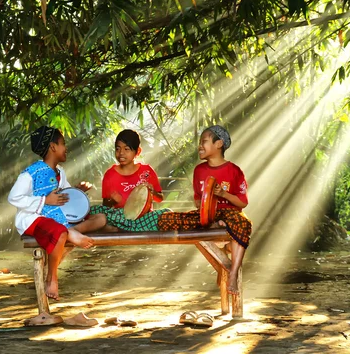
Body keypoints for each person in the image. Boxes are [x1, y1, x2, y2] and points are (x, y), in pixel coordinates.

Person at [8, 126, 106, 300]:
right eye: (63, 144)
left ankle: (70, 233)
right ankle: (51, 277)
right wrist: (44, 201)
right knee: (59, 232)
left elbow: (63, 195)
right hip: (35, 220)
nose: (66, 148)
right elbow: (14, 197)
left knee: (100, 219)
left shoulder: (60, 172)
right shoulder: (31, 173)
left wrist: (76, 191)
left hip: (58, 218)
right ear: (53, 147)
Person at [157, 125, 252, 295]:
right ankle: (217, 226)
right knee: (167, 219)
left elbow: (242, 203)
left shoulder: (234, 171)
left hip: (230, 213)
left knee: (242, 223)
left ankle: (232, 273)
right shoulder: (199, 170)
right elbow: (196, 200)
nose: (200, 146)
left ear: (219, 144)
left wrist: (223, 193)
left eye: (204, 142)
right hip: (207, 215)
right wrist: (206, 203)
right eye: (200, 142)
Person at [89, 129, 170, 232]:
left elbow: (160, 198)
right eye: (118, 149)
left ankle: (120, 229)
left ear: (138, 151)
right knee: (94, 211)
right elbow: (105, 205)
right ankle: (128, 228)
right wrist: (112, 201)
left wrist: (152, 191)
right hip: (120, 217)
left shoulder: (147, 171)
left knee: (166, 213)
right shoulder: (110, 174)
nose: (121, 153)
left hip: (144, 218)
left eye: (126, 149)